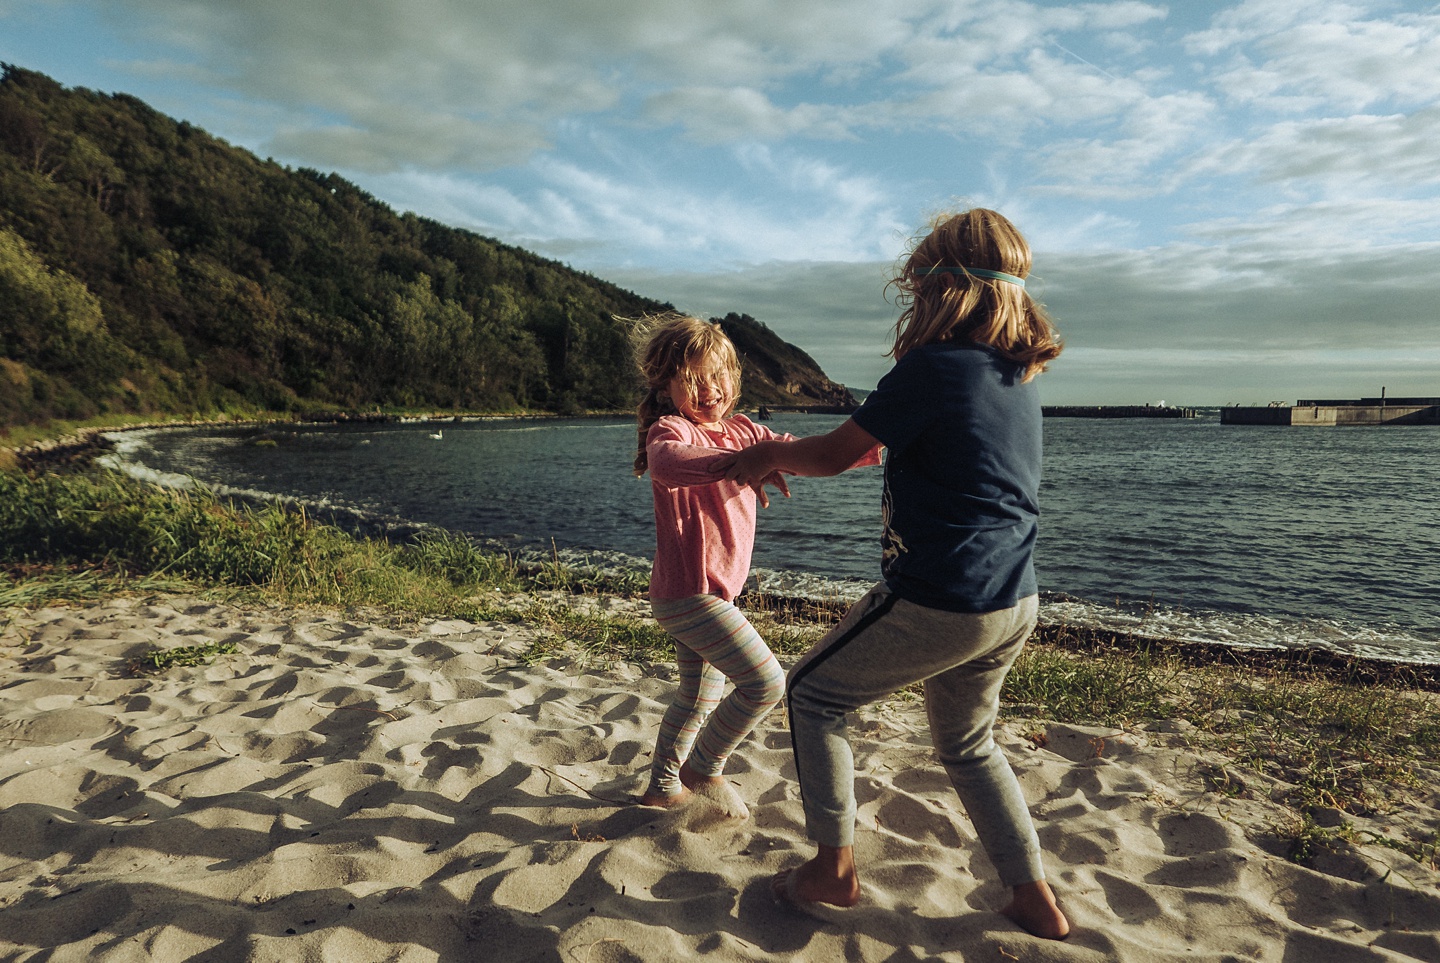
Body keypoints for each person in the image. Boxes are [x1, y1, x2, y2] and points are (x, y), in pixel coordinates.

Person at [723, 208, 1070, 940]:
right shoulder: (1014, 374)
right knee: (970, 744)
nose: (911, 304)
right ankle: (1032, 896)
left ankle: (833, 870)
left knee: (813, 693)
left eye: (915, 290)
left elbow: (833, 455)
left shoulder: (933, 366)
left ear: (942, 290)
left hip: (943, 595)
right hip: (1015, 597)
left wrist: (763, 456)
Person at [629, 313, 794, 819]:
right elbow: (667, 462)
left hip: (712, 594)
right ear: (667, 385)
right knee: (766, 682)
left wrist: (871, 448)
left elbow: (798, 451)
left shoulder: (744, 431)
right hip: (686, 594)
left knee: (699, 694)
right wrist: (739, 465)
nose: (710, 389)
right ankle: (706, 767)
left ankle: (662, 787)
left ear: (735, 380)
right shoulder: (671, 428)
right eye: (693, 379)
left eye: (719, 375)